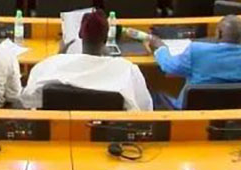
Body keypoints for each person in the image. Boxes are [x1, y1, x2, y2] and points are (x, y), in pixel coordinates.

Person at [21, 10, 153, 111]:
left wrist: (59, 57)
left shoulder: (49, 65)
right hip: (107, 136)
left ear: (80, 34)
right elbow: (144, 108)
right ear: (106, 37)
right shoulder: (127, 70)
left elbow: (27, 99)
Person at [148, 15, 241, 109]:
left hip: (190, 115)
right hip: (236, 116)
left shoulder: (197, 51)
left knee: (154, 94)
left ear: (219, 33)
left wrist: (160, 47)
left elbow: (169, 66)